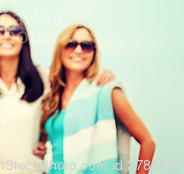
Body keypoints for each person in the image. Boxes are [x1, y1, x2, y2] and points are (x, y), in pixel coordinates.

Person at [0, 12, 114, 174]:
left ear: (24, 38)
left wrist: (99, 76)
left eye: (14, 31)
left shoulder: (44, 78)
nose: (6, 36)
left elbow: (67, 99)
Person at [41, 24, 155, 174]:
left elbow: (148, 143)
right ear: (60, 49)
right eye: (71, 44)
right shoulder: (51, 96)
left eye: (87, 46)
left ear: (94, 53)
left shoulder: (106, 92)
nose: (79, 50)